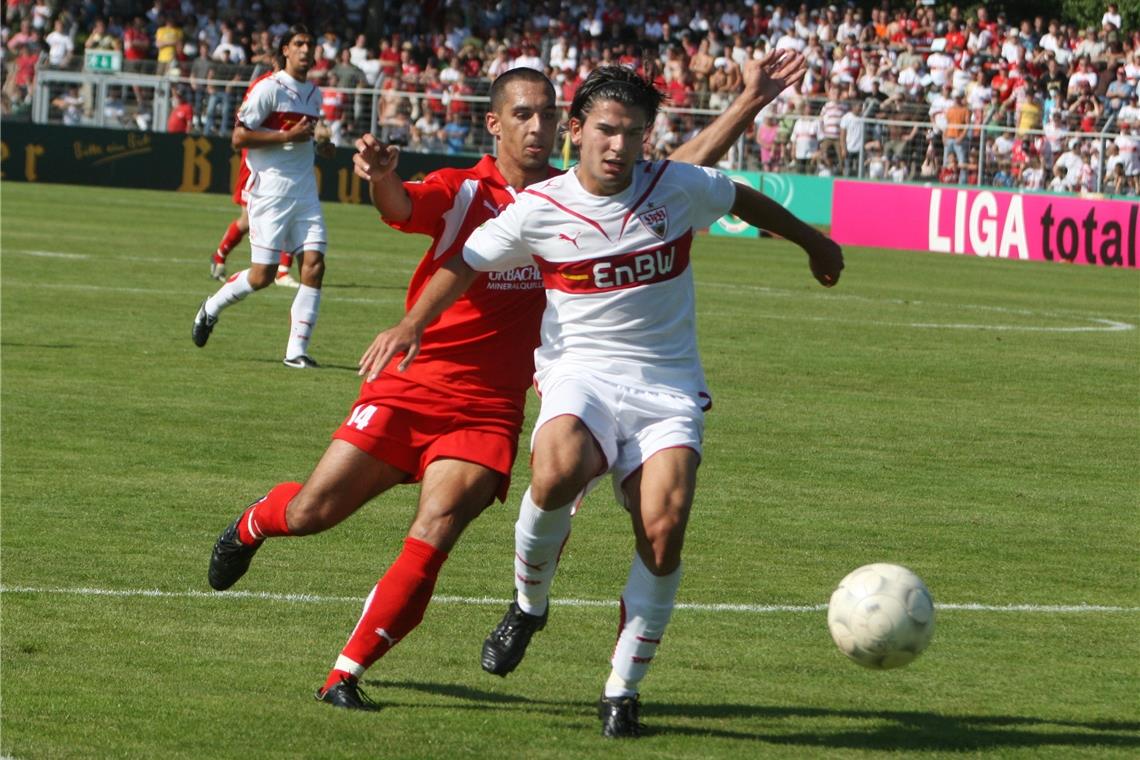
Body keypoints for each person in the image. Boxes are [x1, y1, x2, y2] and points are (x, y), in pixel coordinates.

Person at [205, 53, 809, 712]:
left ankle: (345, 673)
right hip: (415, 381)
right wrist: (382, 185)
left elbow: (678, 173)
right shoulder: (469, 191)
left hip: (490, 409)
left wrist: (746, 106)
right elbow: (404, 206)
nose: (538, 127)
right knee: (313, 512)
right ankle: (254, 526)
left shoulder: (585, 190)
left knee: (434, 531)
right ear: (494, 123)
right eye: (523, 113)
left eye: (548, 113)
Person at [358, 65, 843, 738]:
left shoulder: (674, 188)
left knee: (664, 530)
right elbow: (467, 258)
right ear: (579, 131)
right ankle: (529, 606)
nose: (620, 146)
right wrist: (412, 324)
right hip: (579, 373)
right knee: (556, 470)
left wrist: (813, 241)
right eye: (608, 131)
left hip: (666, 383)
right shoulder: (539, 208)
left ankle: (622, 690)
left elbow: (739, 198)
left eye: (635, 134)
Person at [191, 25, 327, 368]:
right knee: (261, 276)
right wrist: (286, 136)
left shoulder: (314, 93)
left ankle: (296, 351)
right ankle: (210, 308)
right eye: (299, 44)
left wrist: (323, 144)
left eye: (310, 44)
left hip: (305, 192)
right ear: (285, 50)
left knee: (314, 266)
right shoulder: (268, 88)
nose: (306, 50)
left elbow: (303, 140)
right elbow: (239, 138)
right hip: (270, 191)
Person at [209, 61, 301, 287]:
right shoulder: (263, 86)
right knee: (248, 221)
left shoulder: (299, 89)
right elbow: (243, 129)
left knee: (290, 213)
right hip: (256, 163)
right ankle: (220, 255)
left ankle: (282, 271)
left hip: (282, 164)